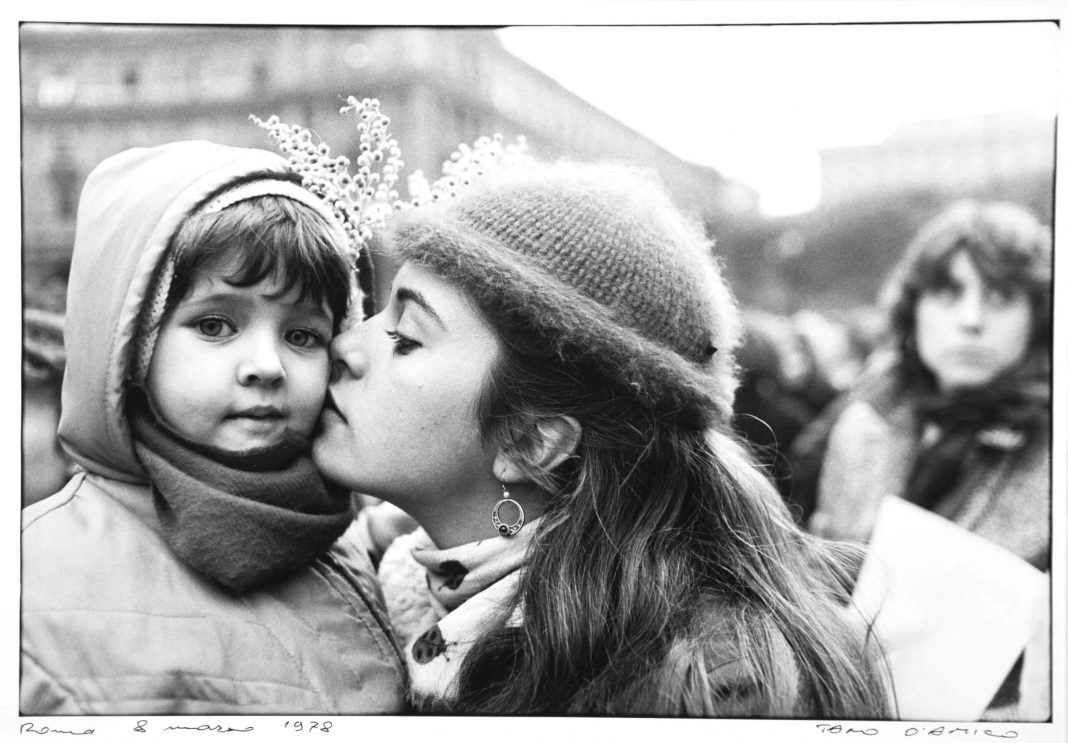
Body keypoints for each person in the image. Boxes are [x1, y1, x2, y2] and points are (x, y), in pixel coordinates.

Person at [312, 161, 892, 716]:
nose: (345, 346)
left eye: (406, 336)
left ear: (533, 443)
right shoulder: (384, 582)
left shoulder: (704, 693)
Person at [21, 141, 406, 714]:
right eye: (216, 325)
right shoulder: (32, 586)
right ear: (131, 345)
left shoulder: (340, 535)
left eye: (302, 335)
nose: (267, 366)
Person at [796, 200, 1051, 720]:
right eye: (947, 292)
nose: (971, 320)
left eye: (1001, 298)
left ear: (1040, 316)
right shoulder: (863, 421)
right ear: (913, 309)